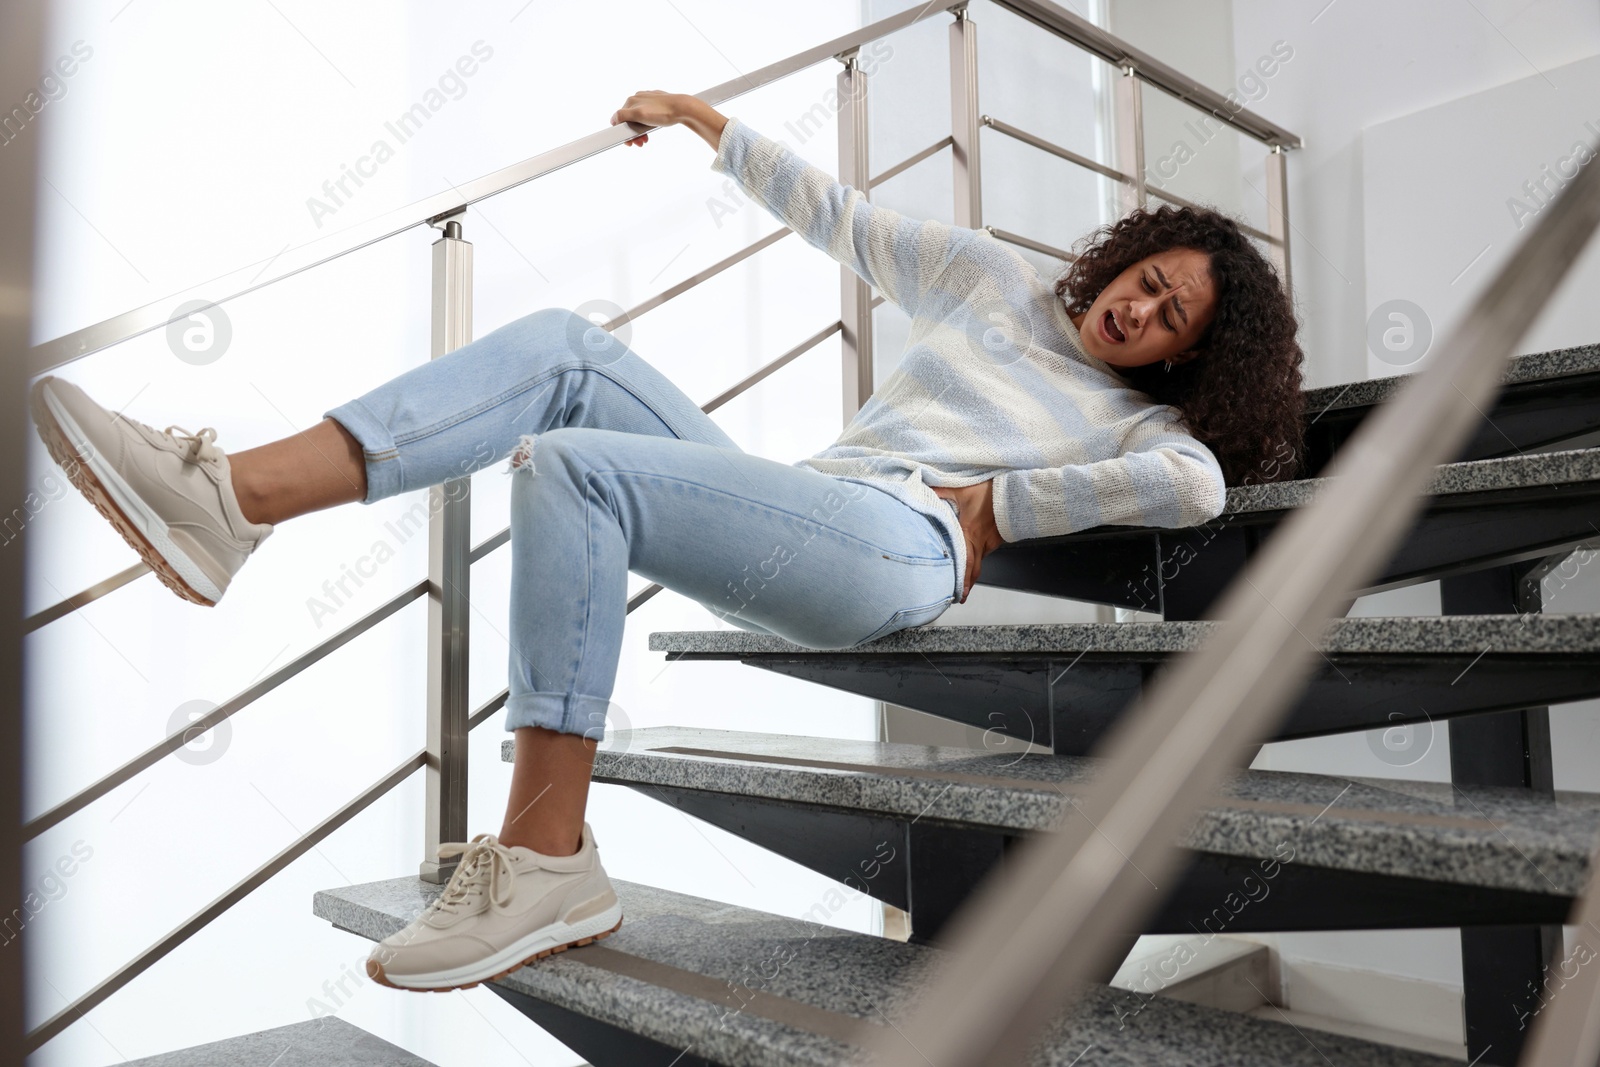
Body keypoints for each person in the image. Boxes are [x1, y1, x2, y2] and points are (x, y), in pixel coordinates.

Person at [27, 90, 1303, 991]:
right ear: (1123, 257)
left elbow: (1191, 489)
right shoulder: (992, 280)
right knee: (562, 352)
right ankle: (229, 501)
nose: (1140, 307)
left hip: (894, 551)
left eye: (1171, 314)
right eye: (1146, 278)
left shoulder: (1144, 428)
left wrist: (1000, 508)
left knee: (576, 470)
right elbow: (842, 217)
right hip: (807, 505)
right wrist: (714, 128)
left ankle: (543, 854)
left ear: (1193, 351)